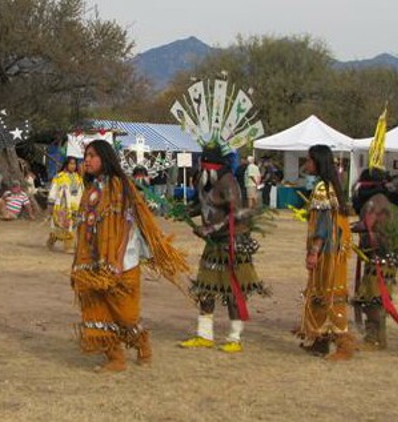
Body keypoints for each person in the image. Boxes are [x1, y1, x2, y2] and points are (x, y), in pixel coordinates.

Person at [71, 140, 188, 372]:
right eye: (86, 156)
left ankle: (141, 341)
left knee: (125, 313)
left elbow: (127, 224)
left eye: (92, 155)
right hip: (93, 262)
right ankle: (115, 358)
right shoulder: (91, 189)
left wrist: (116, 256)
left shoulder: (120, 185)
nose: (87, 160)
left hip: (122, 261)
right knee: (96, 308)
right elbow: (85, 227)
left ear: (105, 158)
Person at [179, 144, 267, 353]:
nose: (203, 169)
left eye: (206, 166)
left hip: (232, 242)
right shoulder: (203, 180)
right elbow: (202, 205)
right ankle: (204, 334)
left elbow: (237, 213)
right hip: (214, 244)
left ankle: (234, 338)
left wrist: (210, 228)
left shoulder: (228, 182)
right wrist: (182, 211)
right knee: (206, 288)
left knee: (232, 291)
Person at [297, 144, 354, 360]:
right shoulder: (333, 186)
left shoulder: (322, 188)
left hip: (327, 252)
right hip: (335, 251)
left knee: (326, 293)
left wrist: (314, 251)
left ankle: (340, 344)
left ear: (318, 162)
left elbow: (322, 225)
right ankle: (321, 341)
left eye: (309, 160)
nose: (306, 164)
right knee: (325, 293)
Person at [351, 169, 398, 350]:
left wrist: (344, 227)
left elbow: (367, 225)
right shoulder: (386, 200)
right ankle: (378, 338)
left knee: (372, 298)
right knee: (378, 298)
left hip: (378, 258)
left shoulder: (375, 202)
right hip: (386, 257)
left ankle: (374, 339)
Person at [46, 156, 84, 253]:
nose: (73, 166)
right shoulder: (59, 177)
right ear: (66, 164)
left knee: (72, 226)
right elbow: (53, 191)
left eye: (74, 164)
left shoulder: (78, 178)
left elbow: (81, 192)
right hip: (63, 206)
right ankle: (68, 247)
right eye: (71, 163)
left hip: (75, 206)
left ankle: (54, 239)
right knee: (65, 226)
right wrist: (50, 205)